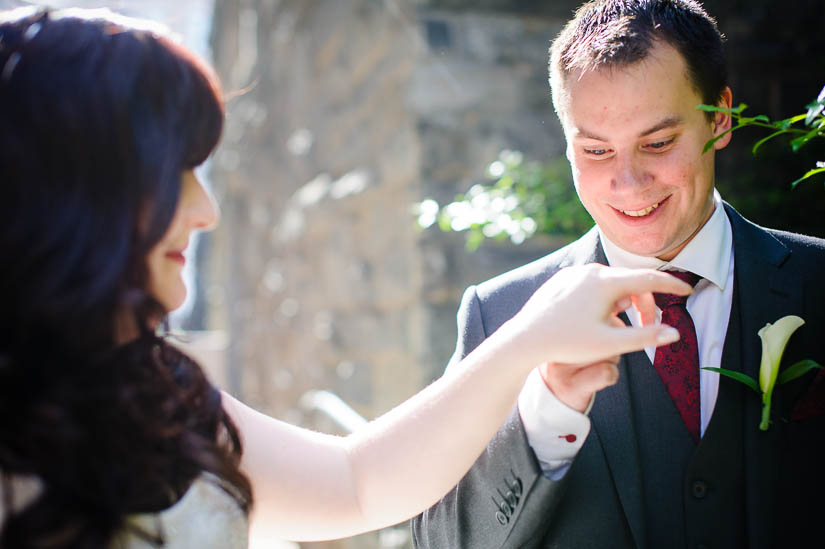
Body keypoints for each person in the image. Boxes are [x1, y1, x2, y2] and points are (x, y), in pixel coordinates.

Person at [0, 7, 691, 548]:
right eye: (172, 174)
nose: (206, 211)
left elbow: (357, 482)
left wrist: (526, 342)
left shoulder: (155, 390)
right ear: (74, 191)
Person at [413, 1, 825, 548]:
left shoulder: (816, 280)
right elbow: (444, 541)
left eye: (658, 143)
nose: (628, 183)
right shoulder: (500, 314)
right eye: (597, 150)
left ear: (720, 118)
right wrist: (543, 419)